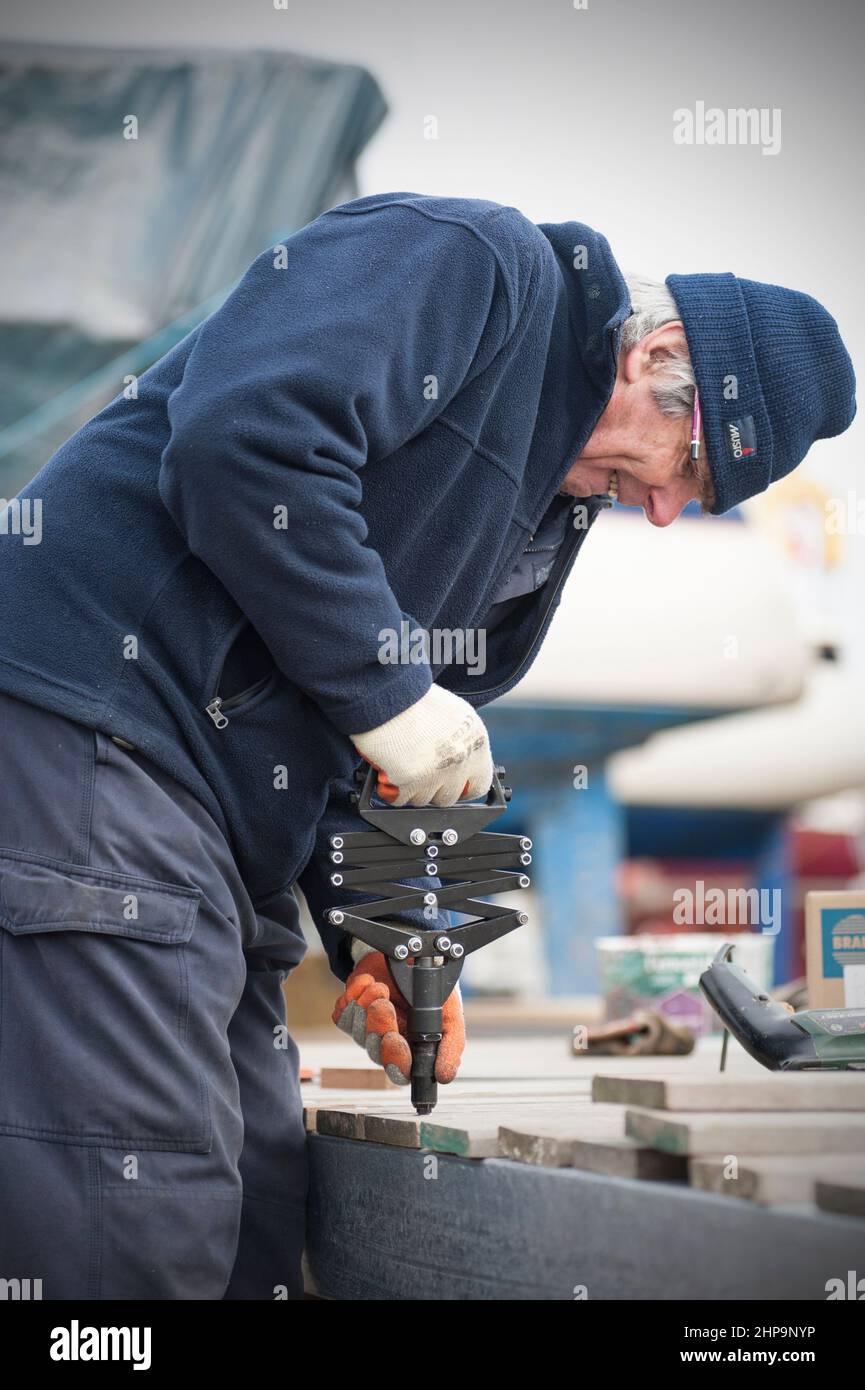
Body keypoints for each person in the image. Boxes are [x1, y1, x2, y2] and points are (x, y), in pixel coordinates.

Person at [0, 192, 854, 1299]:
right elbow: (242, 441)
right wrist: (388, 684)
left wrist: (392, 938)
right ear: (659, 353)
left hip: (215, 821)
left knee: (264, 1207)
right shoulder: (470, 268)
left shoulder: (546, 521)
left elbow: (373, 758)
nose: (660, 511)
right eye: (687, 474)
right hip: (95, 733)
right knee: (139, 1217)